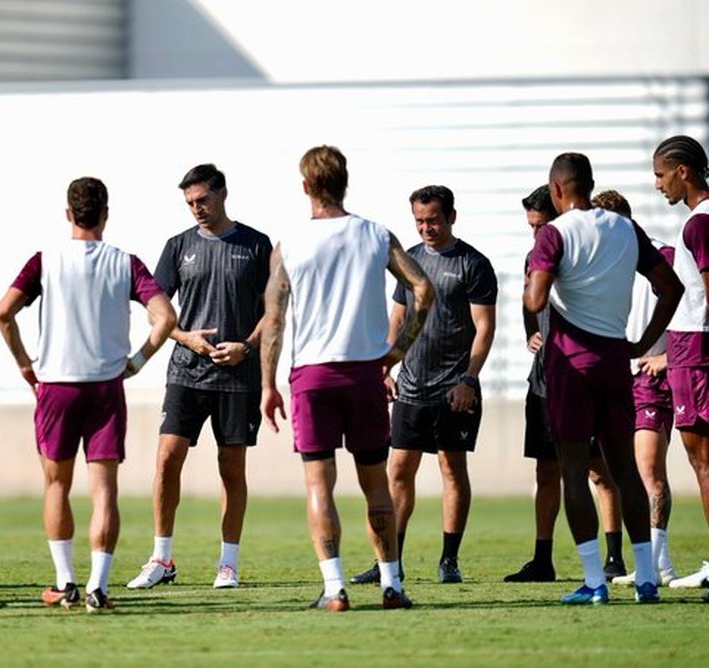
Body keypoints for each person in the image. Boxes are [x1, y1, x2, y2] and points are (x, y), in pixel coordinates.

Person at [260, 145, 434, 611]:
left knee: (319, 484)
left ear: (305, 187)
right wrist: (397, 350)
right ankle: (392, 585)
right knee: (376, 483)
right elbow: (423, 287)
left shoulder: (290, 242)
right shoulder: (376, 234)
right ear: (345, 182)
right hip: (365, 373)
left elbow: (273, 319)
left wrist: (267, 385)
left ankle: (335, 588)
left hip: (312, 375)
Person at [0, 177, 176, 612]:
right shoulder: (125, 263)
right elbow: (166, 318)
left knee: (57, 483)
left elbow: (3, 312)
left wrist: (24, 361)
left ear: (67, 214)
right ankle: (99, 586)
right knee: (104, 490)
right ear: (106, 213)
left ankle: (65, 581)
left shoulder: (46, 260)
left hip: (56, 383)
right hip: (105, 385)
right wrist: (137, 361)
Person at [525, 152, 682, 605]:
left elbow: (535, 301)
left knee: (574, 471)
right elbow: (670, 288)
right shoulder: (625, 228)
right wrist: (644, 342)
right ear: (589, 186)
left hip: (570, 365)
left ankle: (595, 581)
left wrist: (532, 282)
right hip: (617, 360)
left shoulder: (554, 234)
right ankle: (646, 578)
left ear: (556, 191)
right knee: (625, 470)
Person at [127, 164, 271, 591]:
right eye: (190, 203)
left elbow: (274, 311)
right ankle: (161, 558)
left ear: (223, 194)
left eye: (203, 200)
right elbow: (156, 308)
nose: (197, 209)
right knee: (167, 458)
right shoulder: (178, 246)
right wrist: (185, 338)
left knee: (231, 467)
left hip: (239, 376)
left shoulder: (256, 245)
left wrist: (246, 345)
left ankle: (228, 564)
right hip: (186, 373)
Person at [352, 185, 497, 586]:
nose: (425, 227)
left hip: (455, 388)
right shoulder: (409, 261)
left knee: (452, 468)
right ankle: (389, 562)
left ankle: (449, 560)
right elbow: (397, 321)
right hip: (411, 386)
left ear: (451, 216)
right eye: (418, 220)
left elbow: (484, 328)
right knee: (398, 470)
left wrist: (469, 378)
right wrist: (386, 369)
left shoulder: (473, 263)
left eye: (432, 219)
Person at [503, 188, 627, 583]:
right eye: (532, 228)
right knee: (546, 470)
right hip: (543, 379)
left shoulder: (575, 249)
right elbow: (529, 303)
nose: (537, 234)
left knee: (600, 470)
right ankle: (543, 559)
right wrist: (529, 334)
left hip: (580, 374)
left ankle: (613, 557)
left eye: (541, 225)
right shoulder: (534, 256)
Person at [589, 189, 678, 588]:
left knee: (647, 471)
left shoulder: (665, 256)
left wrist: (668, 357)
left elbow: (692, 307)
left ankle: (659, 565)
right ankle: (643, 564)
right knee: (606, 470)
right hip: (611, 374)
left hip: (649, 377)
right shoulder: (600, 256)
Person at [651, 135, 709, 598]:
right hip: (691, 348)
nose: (658, 185)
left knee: (703, 461)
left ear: (683, 172)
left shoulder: (698, 224)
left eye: (660, 174)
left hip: (697, 349)